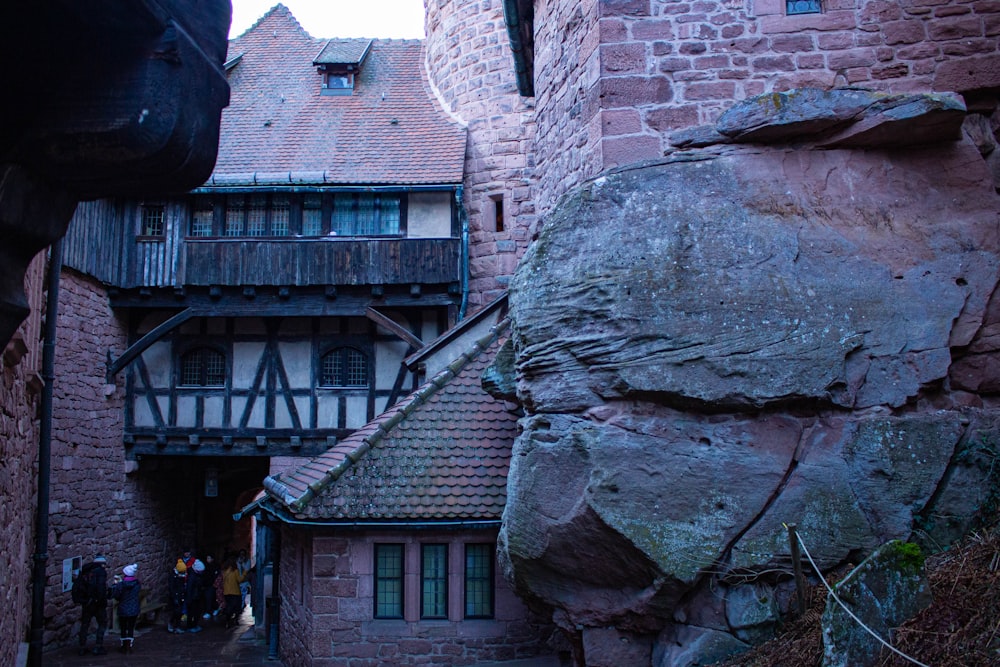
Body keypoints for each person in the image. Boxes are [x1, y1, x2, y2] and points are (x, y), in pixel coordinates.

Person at [76, 554, 110, 655]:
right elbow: (100, 588)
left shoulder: (85, 571)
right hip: (97, 603)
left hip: (86, 603)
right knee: (102, 623)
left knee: (85, 624)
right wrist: (101, 600)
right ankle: (98, 646)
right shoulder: (101, 572)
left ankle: (82, 647)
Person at [110, 563, 141, 653]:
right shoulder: (137, 584)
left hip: (123, 608)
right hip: (134, 608)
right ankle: (129, 645)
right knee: (131, 627)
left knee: (123, 627)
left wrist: (115, 586)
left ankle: (124, 645)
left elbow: (116, 596)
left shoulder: (121, 585)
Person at [219, 557, 247, 628]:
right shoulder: (235, 571)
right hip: (235, 592)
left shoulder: (224, 572)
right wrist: (244, 572)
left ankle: (227, 621)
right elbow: (239, 580)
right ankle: (235, 620)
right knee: (237, 607)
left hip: (226, 592)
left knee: (229, 606)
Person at [184, 559, 206, 633]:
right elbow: (189, 589)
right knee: (192, 612)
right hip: (193, 597)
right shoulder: (192, 577)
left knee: (196, 611)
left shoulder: (195, 575)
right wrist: (189, 599)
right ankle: (190, 626)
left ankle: (194, 625)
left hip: (196, 596)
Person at [167, 559, 187, 634]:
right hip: (176, 596)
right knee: (176, 612)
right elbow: (172, 588)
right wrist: (174, 597)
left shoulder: (181, 576)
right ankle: (172, 624)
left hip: (180, 596)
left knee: (179, 612)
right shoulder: (173, 577)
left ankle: (177, 626)